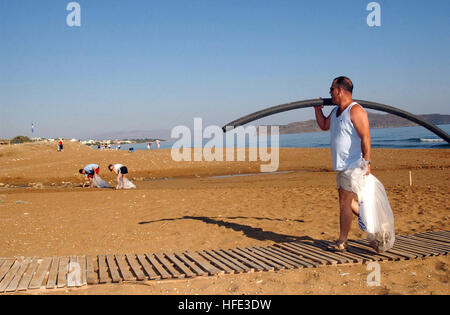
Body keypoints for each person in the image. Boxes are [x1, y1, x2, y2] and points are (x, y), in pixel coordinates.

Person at [314, 76, 371, 252]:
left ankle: (342, 241)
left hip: (354, 164)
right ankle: (371, 221)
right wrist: (317, 109)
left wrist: (367, 162)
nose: (329, 93)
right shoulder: (336, 112)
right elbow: (324, 125)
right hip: (341, 165)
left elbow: (366, 137)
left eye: (331, 89)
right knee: (345, 201)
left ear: (339, 90)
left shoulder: (356, 110)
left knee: (345, 201)